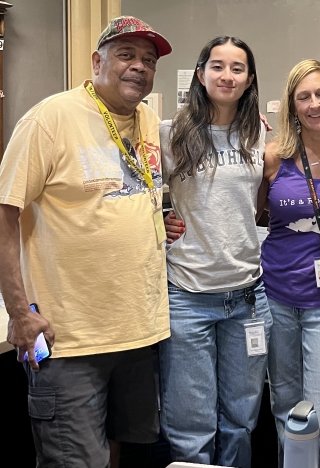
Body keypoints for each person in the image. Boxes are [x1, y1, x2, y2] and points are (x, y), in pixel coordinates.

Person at [0, 15, 171, 468]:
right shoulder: (51, 119)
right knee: (75, 460)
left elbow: (126, 198)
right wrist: (19, 312)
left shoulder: (148, 120)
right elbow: (5, 211)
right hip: (71, 340)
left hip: (137, 333)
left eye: (148, 60)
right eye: (126, 55)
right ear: (97, 61)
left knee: (120, 451)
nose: (139, 67)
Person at [157, 36, 271, 468]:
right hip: (188, 297)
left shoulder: (257, 132)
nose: (227, 75)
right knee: (191, 424)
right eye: (218, 66)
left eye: (237, 68)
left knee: (241, 420)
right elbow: (143, 193)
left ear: (249, 79)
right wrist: (163, 217)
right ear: (201, 74)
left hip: (247, 298)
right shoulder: (171, 133)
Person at [260, 59, 320, 468]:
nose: (315, 104)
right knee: (285, 408)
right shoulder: (272, 157)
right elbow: (246, 215)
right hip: (277, 297)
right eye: (304, 97)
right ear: (291, 104)